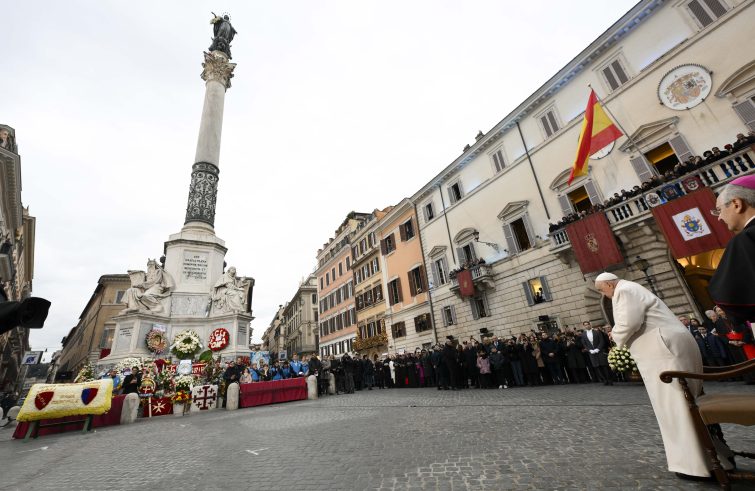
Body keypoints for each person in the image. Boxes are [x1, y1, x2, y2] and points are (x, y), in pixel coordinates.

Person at [595, 271, 730, 480]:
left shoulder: (624, 290)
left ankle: (695, 464)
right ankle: (717, 458)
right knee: (686, 401)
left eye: (602, 290)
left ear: (610, 285)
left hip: (662, 349)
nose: (603, 295)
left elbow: (629, 322)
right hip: (668, 345)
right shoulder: (632, 288)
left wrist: (615, 334)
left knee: (674, 403)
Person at [708, 175, 755, 324]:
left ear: (736, 204)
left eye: (719, 210)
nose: (719, 217)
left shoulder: (745, 239)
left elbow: (728, 297)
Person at [580, 321, 613, 385]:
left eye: (587, 324)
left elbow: (602, 341)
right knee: (597, 367)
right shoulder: (583, 334)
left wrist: (598, 349)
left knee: (604, 366)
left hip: (600, 351)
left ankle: (609, 379)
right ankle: (604, 380)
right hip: (592, 353)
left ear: (590, 325)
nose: (586, 326)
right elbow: (584, 343)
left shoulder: (597, 331)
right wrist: (589, 350)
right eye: (585, 325)